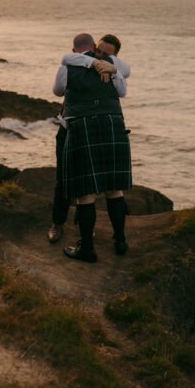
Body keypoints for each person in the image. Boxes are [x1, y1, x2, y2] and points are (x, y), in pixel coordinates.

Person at [51, 33, 132, 262]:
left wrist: (105, 65)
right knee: (114, 188)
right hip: (111, 124)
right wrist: (97, 63)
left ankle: (89, 249)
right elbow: (123, 91)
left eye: (107, 54)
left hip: (82, 126)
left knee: (85, 192)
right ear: (94, 47)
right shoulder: (102, 62)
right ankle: (120, 241)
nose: (102, 55)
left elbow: (57, 90)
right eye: (99, 51)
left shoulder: (70, 66)